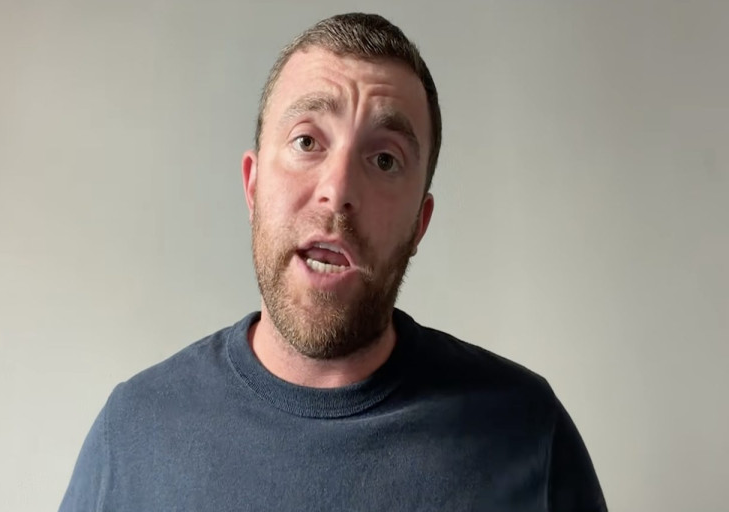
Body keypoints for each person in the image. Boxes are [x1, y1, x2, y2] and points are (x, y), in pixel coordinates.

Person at [59, 13, 607, 511]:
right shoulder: (132, 434)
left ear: (419, 223)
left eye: (385, 159)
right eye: (307, 142)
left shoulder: (528, 431)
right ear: (253, 186)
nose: (339, 189)